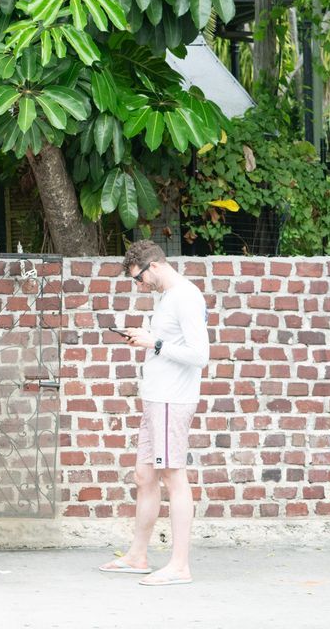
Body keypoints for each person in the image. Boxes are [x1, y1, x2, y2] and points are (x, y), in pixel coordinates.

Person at [99, 240, 210, 587]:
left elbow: (199, 354)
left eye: (139, 278)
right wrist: (148, 336)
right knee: (144, 476)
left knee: (173, 477)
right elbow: (167, 343)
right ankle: (137, 556)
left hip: (171, 400)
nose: (139, 286)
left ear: (156, 266)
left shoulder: (186, 296)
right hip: (156, 398)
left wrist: (155, 343)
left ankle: (179, 566)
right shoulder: (164, 297)